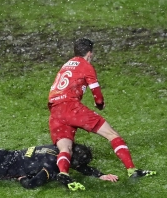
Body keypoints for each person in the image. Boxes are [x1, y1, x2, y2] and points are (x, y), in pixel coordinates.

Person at [47, 38, 155, 184]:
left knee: (65, 148)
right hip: (71, 107)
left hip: (55, 111)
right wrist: (100, 104)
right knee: (112, 134)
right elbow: (96, 93)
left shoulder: (65, 65)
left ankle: (64, 175)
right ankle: (132, 170)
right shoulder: (86, 66)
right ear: (90, 53)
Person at [0, 143, 118, 190]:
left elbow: (74, 163)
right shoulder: (53, 167)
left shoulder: (56, 147)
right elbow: (32, 184)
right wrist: (22, 178)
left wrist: (99, 174)